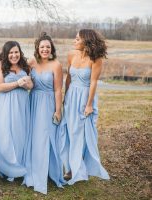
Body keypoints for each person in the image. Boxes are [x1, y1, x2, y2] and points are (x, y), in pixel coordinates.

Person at [58, 29, 110, 185]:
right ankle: (69, 165)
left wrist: (88, 105)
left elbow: (93, 82)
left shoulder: (96, 59)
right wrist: (65, 97)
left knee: (78, 134)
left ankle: (75, 168)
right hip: (71, 96)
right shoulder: (71, 55)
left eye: (77, 39)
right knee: (67, 131)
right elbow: (68, 78)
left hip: (84, 98)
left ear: (86, 41)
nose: (74, 41)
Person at [23, 33, 65, 194]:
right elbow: (19, 73)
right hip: (32, 101)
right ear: (37, 49)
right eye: (42, 47)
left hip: (48, 103)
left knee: (45, 137)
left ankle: (46, 172)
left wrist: (58, 110)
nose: (45, 49)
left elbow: (58, 89)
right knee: (33, 136)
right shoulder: (31, 62)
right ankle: (32, 170)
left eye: (48, 47)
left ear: (51, 48)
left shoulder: (56, 65)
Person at [0, 41, 33, 182]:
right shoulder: (0, 65)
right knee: (4, 134)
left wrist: (27, 83)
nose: (14, 55)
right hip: (6, 104)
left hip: (22, 104)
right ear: (6, 54)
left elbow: (30, 86)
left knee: (20, 133)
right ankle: (6, 167)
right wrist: (17, 83)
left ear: (20, 52)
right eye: (11, 53)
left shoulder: (25, 66)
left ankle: (19, 163)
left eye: (16, 52)